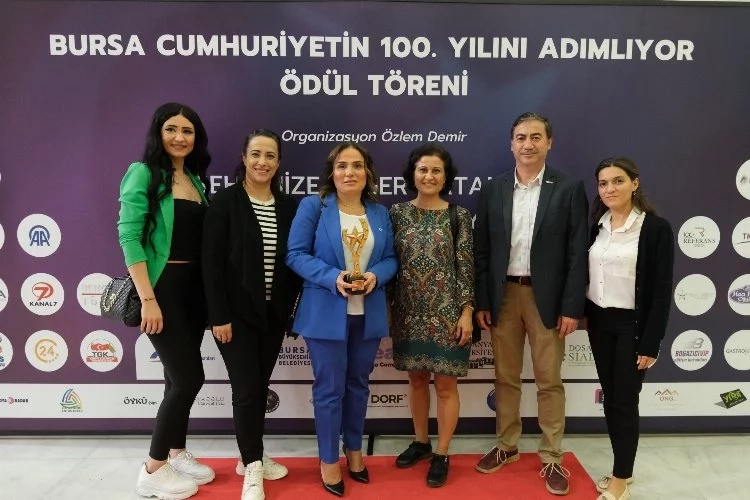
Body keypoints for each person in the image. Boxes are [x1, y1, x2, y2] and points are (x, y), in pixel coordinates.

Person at [473, 112, 588, 496]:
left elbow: (577, 252)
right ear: (511, 144)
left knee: (548, 380)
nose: (528, 144)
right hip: (504, 296)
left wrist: (571, 307)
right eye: (521, 137)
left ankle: (551, 455)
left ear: (549, 142)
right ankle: (506, 445)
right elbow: (482, 249)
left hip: (547, 299)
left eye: (536, 137)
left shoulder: (568, 188)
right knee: (505, 377)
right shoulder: (494, 188)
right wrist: (484, 299)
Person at [286, 141, 397, 497]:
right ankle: (328, 460)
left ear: (368, 173)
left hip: (368, 314)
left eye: (357, 165)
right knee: (330, 390)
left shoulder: (379, 213)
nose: (350, 172)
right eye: (342, 166)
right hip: (325, 315)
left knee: (358, 386)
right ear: (332, 173)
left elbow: (391, 259)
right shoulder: (314, 207)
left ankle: (354, 450)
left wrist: (376, 275)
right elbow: (295, 254)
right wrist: (332, 277)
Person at [119, 102, 214, 500]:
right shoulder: (143, 173)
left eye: (187, 131)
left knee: (175, 378)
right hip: (162, 288)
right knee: (190, 378)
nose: (179, 137)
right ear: (158, 132)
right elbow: (129, 237)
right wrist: (148, 299)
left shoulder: (195, 179)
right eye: (172, 129)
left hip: (194, 290)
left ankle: (176, 452)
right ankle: (153, 468)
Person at [202, 129, 301, 500]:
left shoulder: (288, 206)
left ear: (278, 162)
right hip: (235, 316)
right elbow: (211, 265)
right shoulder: (225, 202)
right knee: (245, 390)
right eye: (256, 154)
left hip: (273, 316)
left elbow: (294, 262)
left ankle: (250, 457)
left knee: (258, 388)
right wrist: (218, 316)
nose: (263, 162)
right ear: (244, 157)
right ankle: (253, 467)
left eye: (270, 156)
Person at [586, 157, 674, 500]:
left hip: (632, 327)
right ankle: (622, 468)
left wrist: (651, 343)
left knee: (624, 402)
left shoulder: (655, 229)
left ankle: (621, 479)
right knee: (612, 399)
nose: (610, 188)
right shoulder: (597, 226)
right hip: (599, 324)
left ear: (634, 184)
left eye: (618, 181)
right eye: (603, 183)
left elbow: (661, 292)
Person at [388, 143, 474, 488]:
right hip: (408, 312)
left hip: (447, 314)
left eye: (436, 170)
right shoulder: (396, 213)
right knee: (416, 380)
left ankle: (442, 452)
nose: (429, 176)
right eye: (423, 169)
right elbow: (389, 264)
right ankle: (421, 442)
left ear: (446, 176)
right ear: (412, 174)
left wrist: (466, 312)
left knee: (446, 386)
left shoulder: (458, 215)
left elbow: (466, 267)